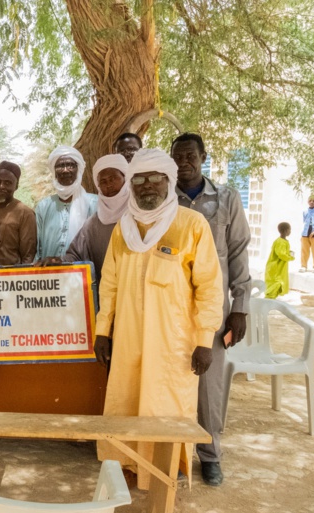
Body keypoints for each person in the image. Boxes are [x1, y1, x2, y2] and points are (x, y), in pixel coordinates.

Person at [93, 148, 224, 490]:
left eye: (155, 180)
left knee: (167, 406)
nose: (148, 187)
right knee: (126, 400)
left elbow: (209, 287)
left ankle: (167, 470)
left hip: (175, 342)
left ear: (170, 181)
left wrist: (204, 340)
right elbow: (110, 284)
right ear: (131, 187)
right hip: (129, 338)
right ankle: (127, 464)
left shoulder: (191, 224)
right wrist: (103, 331)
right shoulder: (124, 229)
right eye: (140, 181)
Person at [172, 132, 252, 486]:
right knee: (172, 383)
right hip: (171, 310)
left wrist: (240, 307)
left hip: (212, 310)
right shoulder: (162, 199)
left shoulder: (226, 199)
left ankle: (209, 455)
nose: (183, 162)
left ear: (203, 157)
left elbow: (237, 253)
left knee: (209, 387)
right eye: (177, 157)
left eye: (190, 156)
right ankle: (173, 453)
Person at [36, 154, 129, 289]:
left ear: (125, 179)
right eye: (103, 182)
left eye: (113, 178)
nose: (109, 185)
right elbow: (76, 253)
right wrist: (59, 260)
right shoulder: (95, 223)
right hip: (105, 290)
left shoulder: (141, 215)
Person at [34, 145, 98, 261]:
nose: (65, 170)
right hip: (50, 276)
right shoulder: (44, 206)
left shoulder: (95, 203)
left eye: (70, 165)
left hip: (84, 275)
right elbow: (37, 248)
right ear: (54, 172)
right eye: (60, 166)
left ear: (78, 169)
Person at [265, 223, 294, 299]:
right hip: (276, 268)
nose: (290, 231)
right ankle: (268, 301)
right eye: (289, 229)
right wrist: (290, 257)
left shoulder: (282, 241)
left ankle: (270, 301)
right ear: (285, 230)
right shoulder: (280, 242)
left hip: (279, 268)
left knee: (278, 285)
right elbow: (281, 254)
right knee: (276, 284)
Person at [299, 194, 314, 272]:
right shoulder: (305, 211)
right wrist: (302, 234)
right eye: (310, 200)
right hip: (305, 233)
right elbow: (304, 222)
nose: (312, 202)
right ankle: (303, 266)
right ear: (308, 201)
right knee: (304, 250)